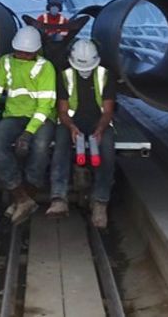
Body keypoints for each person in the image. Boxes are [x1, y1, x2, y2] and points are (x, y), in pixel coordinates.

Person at [0, 25, 57, 224]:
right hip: (14, 115)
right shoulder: (5, 63)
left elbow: (45, 106)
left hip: (41, 118)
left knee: (41, 147)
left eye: (27, 53)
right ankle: (22, 198)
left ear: (36, 51)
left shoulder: (46, 68)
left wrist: (28, 133)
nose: (22, 56)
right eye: (19, 52)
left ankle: (27, 194)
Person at [47, 39, 117, 228]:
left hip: (98, 121)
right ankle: (59, 197)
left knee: (107, 151)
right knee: (60, 146)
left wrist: (100, 129)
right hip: (72, 122)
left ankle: (100, 201)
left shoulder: (105, 75)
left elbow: (108, 110)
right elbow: (62, 110)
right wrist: (71, 127)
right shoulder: (65, 75)